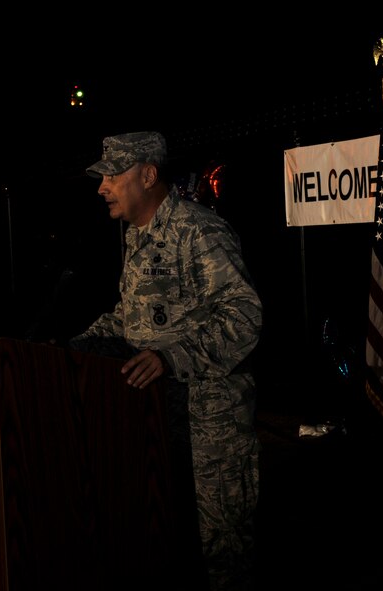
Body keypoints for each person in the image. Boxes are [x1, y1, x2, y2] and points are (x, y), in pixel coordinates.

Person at [68, 131, 263, 591]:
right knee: (170, 540)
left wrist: (171, 357)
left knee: (222, 551)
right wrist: (72, 347)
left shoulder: (198, 230)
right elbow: (132, 317)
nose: (103, 187)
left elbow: (245, 315)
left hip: (210, 421)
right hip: (159, 416)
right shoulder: (138, 237)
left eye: (112, 175)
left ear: (148, 175)